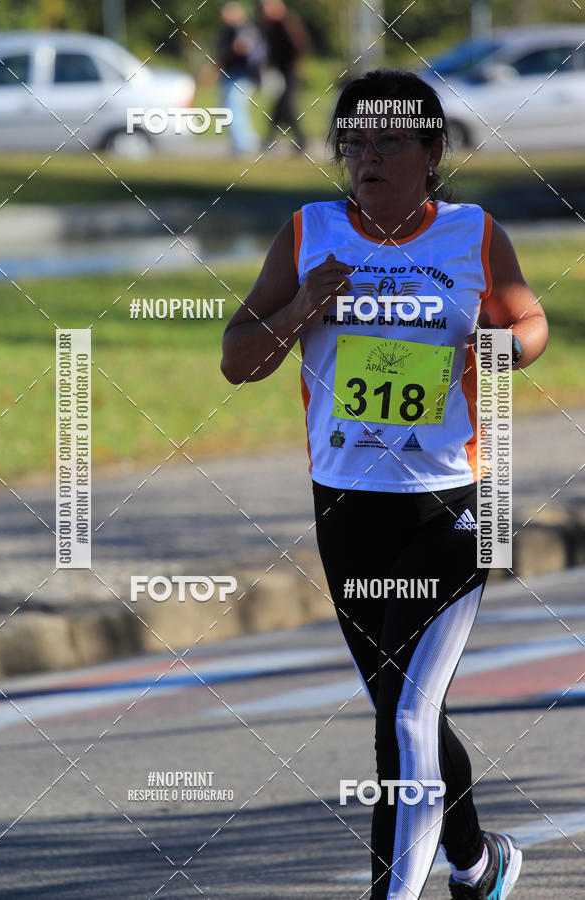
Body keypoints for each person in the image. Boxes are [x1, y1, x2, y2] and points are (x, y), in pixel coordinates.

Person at [221, 69, 548, 899]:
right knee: (407, 717)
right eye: (352, 142)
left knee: (404, 719)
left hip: (453, 508)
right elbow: (236, 361)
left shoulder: (473, 235)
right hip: (346, 510)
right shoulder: (309, 231)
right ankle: (478, 864)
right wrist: (300, 308)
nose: (364, 158)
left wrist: (504, 348)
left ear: (432, 153)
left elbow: (528, 319)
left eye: (387, 142)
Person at [257, 0, 310, 151]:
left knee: (286, 107)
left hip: (291, 72)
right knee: (280, 107)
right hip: (280, 72)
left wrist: (298, 65)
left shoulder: (286, 22)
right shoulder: (271, 25)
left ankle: (299, 141)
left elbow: (300, 45)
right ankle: (273, 140)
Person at [216, 2, 265, 155]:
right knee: (229, 109)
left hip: (243, 75)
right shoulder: (228, 31)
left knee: (234, 107)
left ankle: (246, 144)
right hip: (230, 74)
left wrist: (234, 49)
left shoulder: (246, 28)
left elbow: (245, 48)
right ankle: (241, 143)